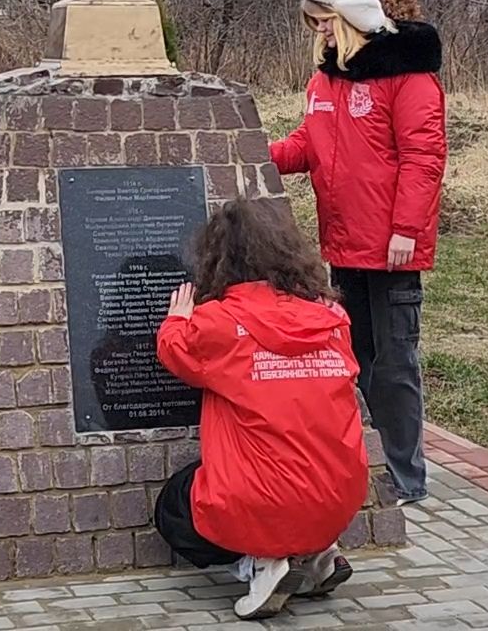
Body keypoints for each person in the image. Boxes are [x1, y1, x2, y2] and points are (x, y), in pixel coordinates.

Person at [270, 0, 446, 506]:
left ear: (348, 15)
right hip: (344, 243)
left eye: (324, 18)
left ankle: (405, 477)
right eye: (313, 20)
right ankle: (364, 462)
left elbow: (423, 157)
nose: (318, 29)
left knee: (395, 365)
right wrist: (253, 155)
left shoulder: (407, 77)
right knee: (356, 356)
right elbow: (308, 144)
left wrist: (406, 231)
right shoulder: (326, 78)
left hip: (392, 247)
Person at [153, 199, 369, 621]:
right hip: (340, 495)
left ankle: (261, 566)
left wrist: (177, 320)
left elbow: (176, 353)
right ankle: (318, 554)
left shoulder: (217, 322)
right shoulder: (331, 317)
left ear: (218, 257)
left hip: (263, 501)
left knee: (176, 507)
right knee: (289, 480)